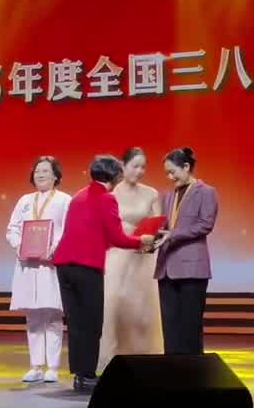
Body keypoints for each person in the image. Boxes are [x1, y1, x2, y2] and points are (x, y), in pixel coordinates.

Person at [51, 155, 154, 392]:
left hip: (64, 266)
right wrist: (142, 240)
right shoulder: (107, 198)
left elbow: (94, 233)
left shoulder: (78, 195)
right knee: (91, 323)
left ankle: (80, 375)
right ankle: (88, 375)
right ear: (115, 176)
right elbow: (117, 237)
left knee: (76, 323)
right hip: (86, 266)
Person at [5, 156, 72, 383]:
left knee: (52, 315)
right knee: (33, 316)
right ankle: (35, 366)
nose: (40, 175)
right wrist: (18, 245)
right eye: (37, 171)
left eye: (45, 171)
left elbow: (68, 230)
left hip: (51, 264)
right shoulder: (24, 200)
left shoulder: (64, 200)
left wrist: (54, 248)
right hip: (27, 264)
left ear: (56, 176)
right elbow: (12, 228)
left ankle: (52, 367)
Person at [99, 147, 164, 371]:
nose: (139, 171)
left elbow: (158, 223)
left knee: (142, 309)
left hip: (142, 257)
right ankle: (111, 357)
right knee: (114, 305)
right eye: (135, 166)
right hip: (117, 255)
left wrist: (152, 237)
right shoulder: (111, 193)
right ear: (123, 166)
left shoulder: (151, 193)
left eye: (143, 167)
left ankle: (145, 357)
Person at [154, 147, 219, 355]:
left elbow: (205, 225)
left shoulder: (206, 192)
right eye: (167, 173)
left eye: (172, 172)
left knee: (190, 327)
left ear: (186, 167)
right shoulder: (167, 196)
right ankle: (172, 368)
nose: (169, 177)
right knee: (170, 328)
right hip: (166, 268)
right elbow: (164, 227)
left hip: (192, 269)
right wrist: (151, 238)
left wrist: (172, 234)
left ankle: (193, 369)